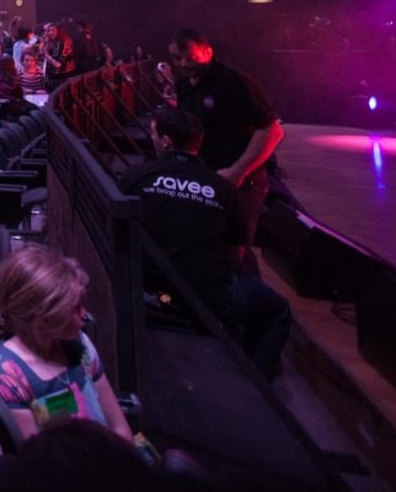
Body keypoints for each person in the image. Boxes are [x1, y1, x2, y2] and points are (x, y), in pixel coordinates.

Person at [120, 109, 291, 379]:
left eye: (153, 134)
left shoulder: (136, 176)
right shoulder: (224, 189)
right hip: (203, 293)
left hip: (139, 282)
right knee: (277, 311)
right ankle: (253, 384)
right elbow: (235, 256)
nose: (151, 139)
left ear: (165, 142)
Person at [0, 246, 134, 443]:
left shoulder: (81, 344)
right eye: (75, 308)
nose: (85, 315)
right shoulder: (7, 373)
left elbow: (120, 428)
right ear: (45, 320)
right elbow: (38, 457)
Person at [169, 29, 283, 250]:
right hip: (205, 180)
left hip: (241, 184)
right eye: (176, 58)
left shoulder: (233, 81)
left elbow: (272, 130)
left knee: (235, 250)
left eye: (190, 58)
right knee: (209, 246)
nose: (183, 64)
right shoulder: (184, 84)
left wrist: (237, 171)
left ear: (208, 53)